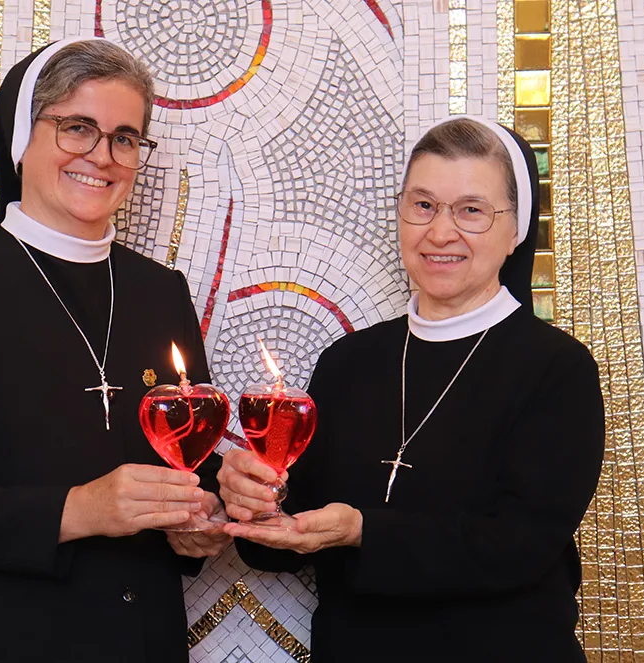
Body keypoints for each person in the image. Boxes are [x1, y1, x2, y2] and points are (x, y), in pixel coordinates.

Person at [0, 37, 229, 663]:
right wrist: (80, 510)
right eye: (76, 127)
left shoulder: (161, 291)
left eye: (124, 137)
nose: (102, 155)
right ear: (19, 135)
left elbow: (179, 470)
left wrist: (204, 517)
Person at [218, 116, 605, 661]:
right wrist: (255, 500)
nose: (440, 232)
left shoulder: (557, 369)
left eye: (471, 210)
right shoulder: (348, 362)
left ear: (515, 229)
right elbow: (288, 536)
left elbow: (518, 547)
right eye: (422, 205)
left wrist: (362, 531)